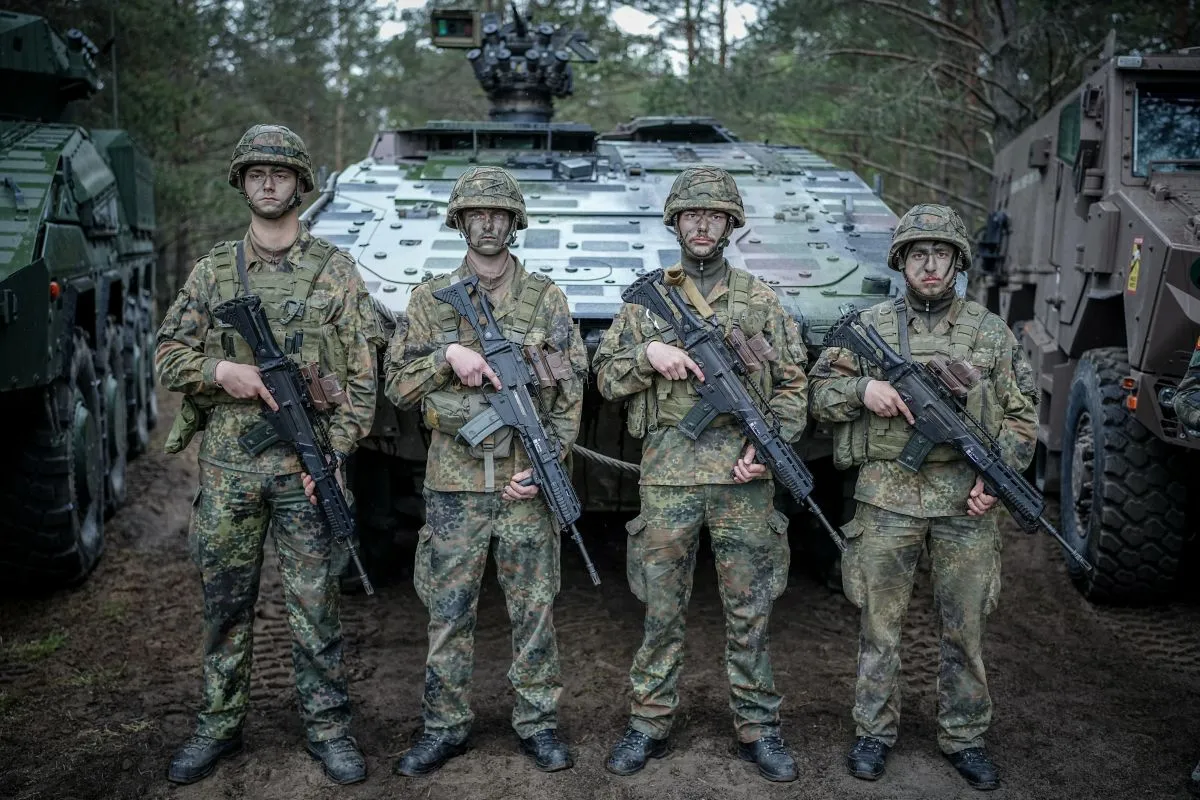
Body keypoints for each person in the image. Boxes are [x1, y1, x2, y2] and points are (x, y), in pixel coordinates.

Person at [155, 124, 382, 786]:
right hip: (230, 465)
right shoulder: (213, 271)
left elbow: (362, 379)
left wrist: (334, 454)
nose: (268, 183)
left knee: (317, 603)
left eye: (280, 174)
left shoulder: (335, 272)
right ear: (242, 184)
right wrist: (221, 371)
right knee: (225, 599)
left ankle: (329, 727)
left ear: (300, 184)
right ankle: (218, 725)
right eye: (256, 174)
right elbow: (169, 354)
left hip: (306, 467)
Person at [808, 203, 1038, 791]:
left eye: (940, 254)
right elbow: (819, 396)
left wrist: (996, 477)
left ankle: (964, 736)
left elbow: (1019, 418)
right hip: (886, 499)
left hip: (965, 504)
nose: (929, 265)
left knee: (964, 629)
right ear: (901, 263)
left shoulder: (989, 332)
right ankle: (873, 732)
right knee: (879, 628)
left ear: (957, 262)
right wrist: (865, 388)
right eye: (918, 254)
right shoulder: (871, 327)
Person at [592, 166, 809, 783]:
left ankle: (758, 726)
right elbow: (606, 379)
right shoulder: (645, 302)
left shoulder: (761, 301)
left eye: (715, 215)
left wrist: (769, 449)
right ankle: (649, 722)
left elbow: (794, 387)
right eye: (693, 215)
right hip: (668, 478)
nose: (704, 225)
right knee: (661, 608)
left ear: (731, 225)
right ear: (676, 223)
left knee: (751, 608)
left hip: (745, 480)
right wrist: (648, 354)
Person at [384, 165, 588, 777]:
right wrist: (448, 356)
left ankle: (538, 723)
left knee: (535, 609)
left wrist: (546, 463)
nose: (490, 223)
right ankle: (444, 727)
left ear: (514, 222)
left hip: (524, 481)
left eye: (500, 214)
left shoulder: (546, 297)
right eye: (478, 214)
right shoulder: (429, 300)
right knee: (448, 611)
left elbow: (570, 388)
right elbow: (397, 384)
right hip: (455, 482)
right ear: (461, 221)